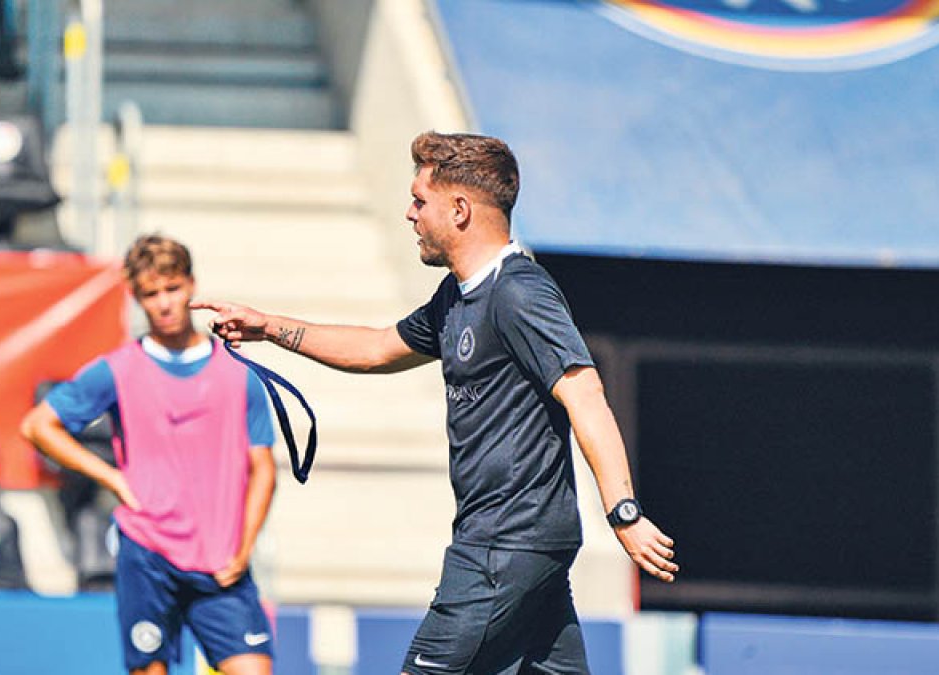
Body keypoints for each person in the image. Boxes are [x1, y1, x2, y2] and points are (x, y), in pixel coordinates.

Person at [197, 131, 678, 674]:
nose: (410, 214)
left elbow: (585, 395)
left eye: (419, 201)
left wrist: (624, 513)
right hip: (518, 545)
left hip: (503, 542)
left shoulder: (519, 292)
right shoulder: (456, 296)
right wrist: (269, 328)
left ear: (460, 210)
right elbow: (377, 348)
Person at [21, 234, 278, 675]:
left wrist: (244, 546)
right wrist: (112, 478)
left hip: (221, 561)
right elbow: (38, 426)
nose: (164, 303)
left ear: (191, 285)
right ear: (137, 298)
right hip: (149, 553)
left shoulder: (237, 372)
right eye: (151, 294)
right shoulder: (118, 369)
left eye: (172, 288)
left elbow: (264, 469)